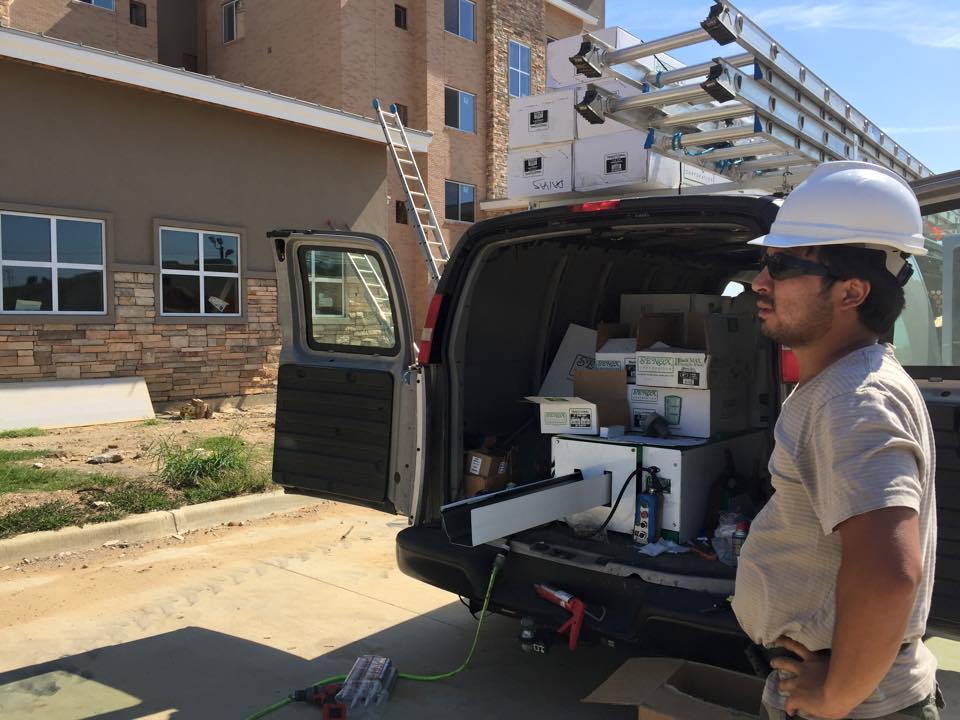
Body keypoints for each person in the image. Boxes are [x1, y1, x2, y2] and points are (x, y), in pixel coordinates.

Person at [732, 161, 942, 720]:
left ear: (851, 291)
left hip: (857, 704)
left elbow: (888, 572)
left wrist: (836, 695)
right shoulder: (848, 381)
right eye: (763, 263)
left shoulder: (852, 399)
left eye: (782, 265)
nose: (759, 281)